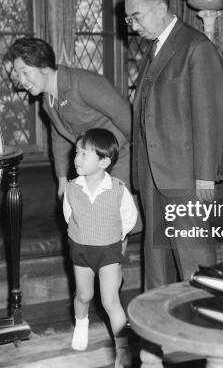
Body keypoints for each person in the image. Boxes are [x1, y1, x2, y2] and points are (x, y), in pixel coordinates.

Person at [123, 0, 223, 290]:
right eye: (128, 18)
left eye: (136, 16)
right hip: (154, 176)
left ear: (159, 7)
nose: (131, 26)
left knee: (196, 266)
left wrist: (205, 176)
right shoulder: (155, 50)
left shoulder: (196, 48)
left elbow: (210, 116)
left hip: (186, 179)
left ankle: (205, 330)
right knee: (157, 268)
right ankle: (160, 331)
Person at [4, 38, 136, 203]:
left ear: (44, 66)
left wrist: (139, 158)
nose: (22, 82)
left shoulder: (83, 83)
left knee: (119, 218)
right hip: (93, 166)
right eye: (18, 74)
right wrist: (62, 180)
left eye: (25, 72)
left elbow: (126, 116)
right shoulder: (47, 100)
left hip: (120, 158)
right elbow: (59, 137)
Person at [63, 128, 137, 367]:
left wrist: (114, 237)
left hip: (108, 252)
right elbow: (69, 217)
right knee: (84, 295)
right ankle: (81, 323)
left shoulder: (117, 188)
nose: (76, 158)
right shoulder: (72, 188)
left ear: (104, 161)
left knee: (110, 300)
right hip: (81, 250)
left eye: (84, 154)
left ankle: (122, 348)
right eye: (77, 152)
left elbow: (129, 217)